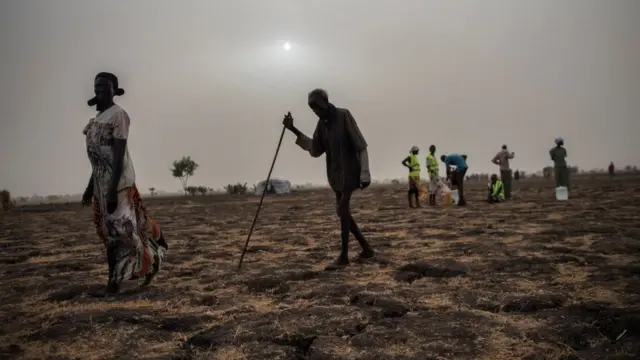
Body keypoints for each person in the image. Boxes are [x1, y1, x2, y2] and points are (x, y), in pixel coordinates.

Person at [82, 72, 168, 294]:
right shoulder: (97, 119)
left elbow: (118, 157)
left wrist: (112, 191)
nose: (100, 90)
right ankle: (121, 277)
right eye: (97, 86)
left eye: (105, 87)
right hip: (101, 184)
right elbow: (99, 160)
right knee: (109, 232)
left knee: (120, 231)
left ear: (114, 90)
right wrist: (91, 187)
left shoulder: (118, 115)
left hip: (117, 184)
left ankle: (118, 281)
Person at [282, 88, 375, 270]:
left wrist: (365, 172)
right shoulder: (322, 125)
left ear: (325, 103)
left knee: (342, 210)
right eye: (314, 110)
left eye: (318, 108)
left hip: (351, 173)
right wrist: (293, 129)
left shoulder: (343, 115)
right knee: (343, 212)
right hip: (336, 176)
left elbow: (361, 146)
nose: (317, 112)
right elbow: (315, 149)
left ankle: (344, 257)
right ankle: (366, 249)